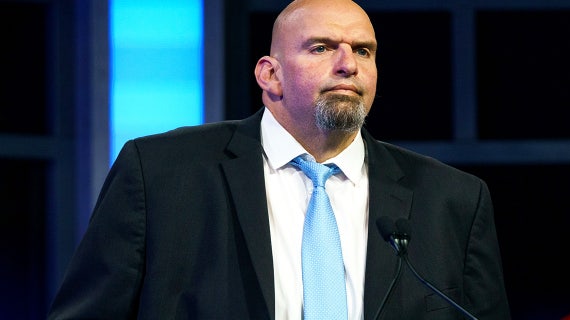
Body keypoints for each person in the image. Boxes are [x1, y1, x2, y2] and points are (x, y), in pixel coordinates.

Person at [47, 0, 511, 319]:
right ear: (270, 75)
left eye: (363, 51)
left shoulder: (452, 200)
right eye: (322, 47)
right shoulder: (160, 174)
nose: (348, 63)